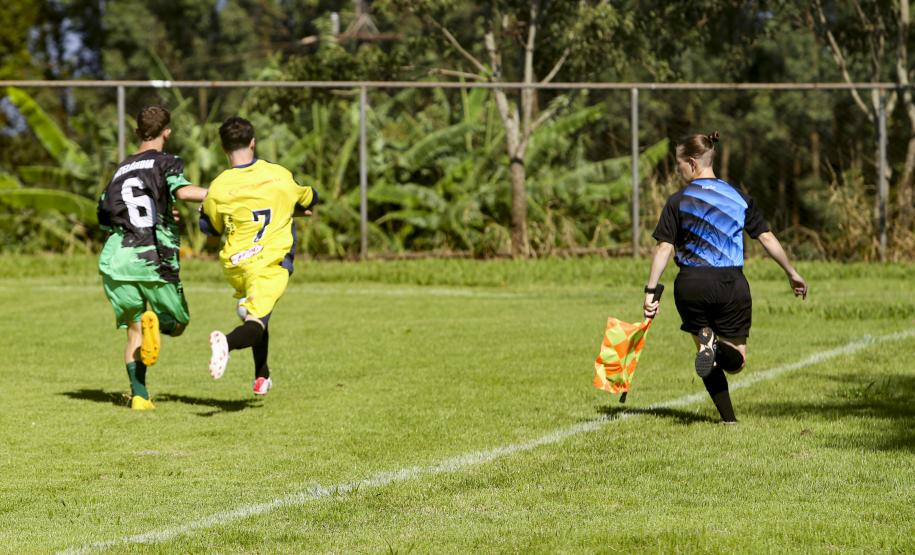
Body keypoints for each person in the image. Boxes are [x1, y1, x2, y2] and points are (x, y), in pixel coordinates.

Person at [642, 131, 807, 423]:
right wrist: (791, 272)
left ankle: (728, 418)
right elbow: (766, 237)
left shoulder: (678, 200)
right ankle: (717, 355)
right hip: (730, 284)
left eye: (679, 164)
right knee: (737, 361)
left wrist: (651, 291)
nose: (678, 170)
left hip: (691, 285)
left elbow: (664, 247)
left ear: (692, 163)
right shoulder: (738, 197)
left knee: (706, 351)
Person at [97, 104, 208, 410]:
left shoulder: (119, 171)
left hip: (117, 260)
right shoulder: (167, 162)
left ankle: (140, 397)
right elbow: (183, 193)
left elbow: (105, 215)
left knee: (134, 328)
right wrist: (219, 194)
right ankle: (158, 323)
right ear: (167, 132)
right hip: (153, 258)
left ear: (137, 133)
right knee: (179, 322)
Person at [199, 116, 317, 396]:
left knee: (258, 313)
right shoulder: (279, 175)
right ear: (253, 143)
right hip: (269, 262)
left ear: (224, 148)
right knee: (255, 323)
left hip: (236, 264)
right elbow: (311, 199)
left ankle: (261, 375)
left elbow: (209, 228)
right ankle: (225, 343)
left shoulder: (219, 186)